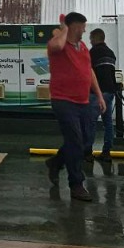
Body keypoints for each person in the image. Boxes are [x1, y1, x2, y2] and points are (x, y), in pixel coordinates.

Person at [45, 12, 108, 201]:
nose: (85, 29)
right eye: (82, 26)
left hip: (83, 101)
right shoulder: (58, 44)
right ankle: (76, 184)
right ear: (73, 26)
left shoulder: (83, 48)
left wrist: (99, 95)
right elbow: (55, 45)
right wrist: (64, 28)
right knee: (75, 140)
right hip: (63, 100)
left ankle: (56, 162)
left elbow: (89, 72)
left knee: (84, 140)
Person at [88, 29, 123, 158]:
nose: (90, 41)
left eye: (91, 38)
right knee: (107, 122)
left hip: (97, 93)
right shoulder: (111, 53)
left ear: (96, 39)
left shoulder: (93, 53)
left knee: (90, 122)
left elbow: (89, 74)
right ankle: (106, 152)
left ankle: (87, 153)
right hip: (110, 92)